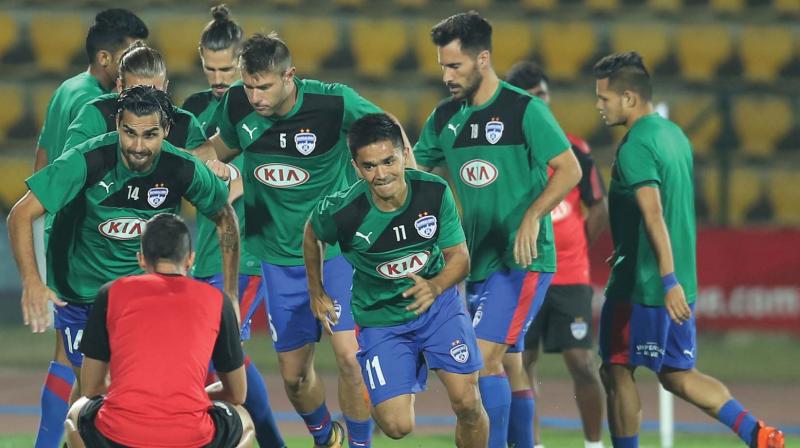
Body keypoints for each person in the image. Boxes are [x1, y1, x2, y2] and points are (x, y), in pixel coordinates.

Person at [191, 32, 403, 448]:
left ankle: (359, 445)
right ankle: (327, 438)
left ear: (290, 76)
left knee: (349, 357)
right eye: (249, 85)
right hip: (279, 258)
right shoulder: (238, 105)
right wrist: (191, 166)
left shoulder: (332, 103)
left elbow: (389, 131)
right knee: (295, 376)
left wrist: (403, 192)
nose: (254, 96)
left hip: (337, 253)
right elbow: (213, 151)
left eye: (264, 86)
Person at [7, 85, 239, 445]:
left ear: (165, 131)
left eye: (150, 135)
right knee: (92, 394)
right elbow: (21, 214)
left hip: (148, 302)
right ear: (117, 124)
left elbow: (225, 217)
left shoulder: (181, 167)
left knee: (135, 395)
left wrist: (230, 292)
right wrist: (33, 282)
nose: (138, 146)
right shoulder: (88, 160)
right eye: (129, 132)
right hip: (84, 296)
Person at [593, 51, 784, 448]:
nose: (598, 106)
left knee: (616, 369)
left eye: (604, 98)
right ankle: (756, 432)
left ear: (629, 98)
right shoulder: (674, 135)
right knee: (678, 374)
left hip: (644, 287)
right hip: (679, 280)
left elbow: (655, 214)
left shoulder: (634, 148)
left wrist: (665, 279)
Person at [413, 11, 582, 448]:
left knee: (482, 361)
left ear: (482, 59)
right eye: (442, 66)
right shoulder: (445, 117)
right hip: (477, 263)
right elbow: (416, 174)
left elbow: (568, 169)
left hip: (520, 261)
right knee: (508, 362)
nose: (447, 75)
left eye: (455, 66)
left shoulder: (524, 110)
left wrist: (532, 215)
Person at [304, 113, 488, 447]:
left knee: (468, 402)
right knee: (397, 426)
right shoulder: (344, 211)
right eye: (369, 166)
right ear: (357, 167)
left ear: (404, 153)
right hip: (381, 318)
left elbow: (460, 258)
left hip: (438, 307)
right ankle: (402, 366)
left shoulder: (433, 192)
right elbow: (312, 234)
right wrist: (315, 290)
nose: (381, 174)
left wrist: (434, 286)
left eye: (388, 161)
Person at [28, 12, 147, 446]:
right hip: (85, 244)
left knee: (67, 355)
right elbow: (84, 177)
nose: (137, 60)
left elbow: (41, 162)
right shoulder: (93, 104)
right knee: (96, 362)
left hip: (64, 235)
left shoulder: (65, 90)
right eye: (130, 51)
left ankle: (53, 441)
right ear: (105, 57)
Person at [182, 6, 285, 448]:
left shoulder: (261, 107)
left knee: (217, 350)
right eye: (211, 68)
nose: (219, 78)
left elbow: (237, 184)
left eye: (228, 69)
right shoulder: (193, 111)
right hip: (204, 248)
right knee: (224, 355)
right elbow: (189, 176)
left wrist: (220, 174)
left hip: (249, 251)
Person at [63, 213, 254, 448]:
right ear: (190, 259)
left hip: (119, 435)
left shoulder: (111, 293)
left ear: (141, 259)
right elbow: (238, 394)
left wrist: (139, 396)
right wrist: (187, 396)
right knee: (244, 421)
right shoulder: (217, 300)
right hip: (192, 437)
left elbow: (91, 387)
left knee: (75, 414)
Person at [506, 61, 607, 448]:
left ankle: (594, 444)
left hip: (571, 277)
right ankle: (532, 444)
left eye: (544, 94)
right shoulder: (512, 154)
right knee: (522, 362)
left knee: (582, 363)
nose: (541, 102)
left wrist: (577, 245)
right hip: (526, 275)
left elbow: (599, 207)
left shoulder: (575, 150)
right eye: (532, 98)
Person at [63, 41, 206, 152]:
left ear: (165, 87)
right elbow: (68, 169)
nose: (145, 99)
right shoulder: (96, 114)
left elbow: (208, 175)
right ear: (120, 87)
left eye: (154, 92)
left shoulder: (186, 123)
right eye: (136, 91)